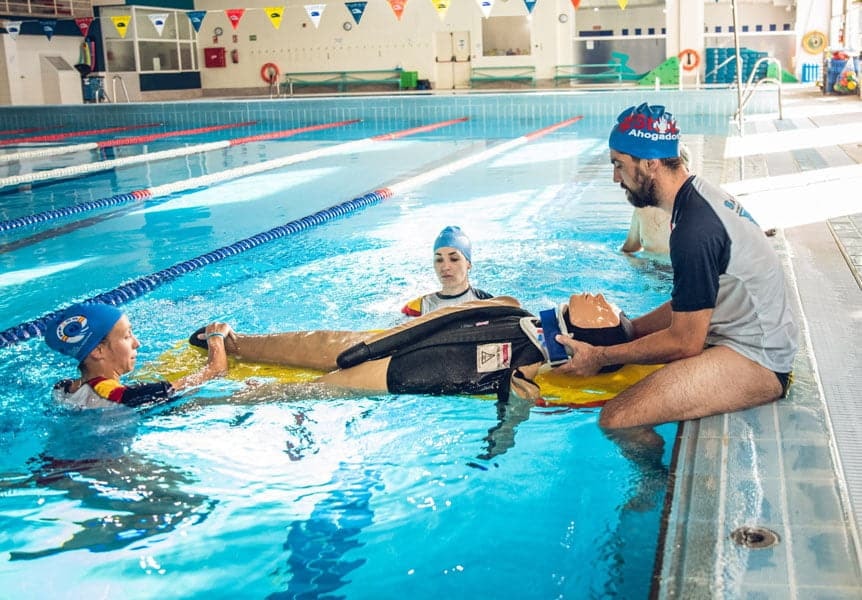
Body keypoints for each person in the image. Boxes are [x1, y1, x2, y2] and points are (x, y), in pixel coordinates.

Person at [553, 102, 799, 430]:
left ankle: (649, 482)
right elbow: (691, 302)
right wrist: (631, 330)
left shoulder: (693, 230)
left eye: (619, 165)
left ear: (650, 163)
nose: (615, 177)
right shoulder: (694, 198)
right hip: (749, 336)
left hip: (759, 359)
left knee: (617, 418)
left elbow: (685, 342)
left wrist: (601, 357)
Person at [190, 293, 632, 403]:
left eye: (607, 311)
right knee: (324, 341)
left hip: (406, 370)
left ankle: (199, 403)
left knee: (306, 391)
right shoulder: (517, 310)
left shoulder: (536, 369)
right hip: (394, 340)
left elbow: (522, 402)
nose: (601, 298)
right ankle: (233, 344)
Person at [45, 302, 234, 409]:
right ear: (97, 351)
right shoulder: (124, 397)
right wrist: (216, 337)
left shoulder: (63, 389)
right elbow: (215, 372)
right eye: (127, 336)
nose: (137, 343)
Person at [401, 225, 493, 317]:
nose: (445, 267)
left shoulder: (488, 303)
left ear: (468, 264)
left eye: (454, 259)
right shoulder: (416, 309)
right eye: (439, 260)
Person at [620, 143, 690, 255]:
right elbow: (627, 250)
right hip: (647, 270)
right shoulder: (643, 208)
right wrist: (638, 265)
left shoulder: (697, 210)